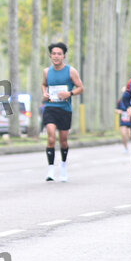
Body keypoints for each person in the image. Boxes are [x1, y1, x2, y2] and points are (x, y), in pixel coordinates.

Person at [40, 42, 84, 182]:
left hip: (65, 109)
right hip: (50, 107)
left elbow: (81, 88)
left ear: (64, 56)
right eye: (54, 54)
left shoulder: (71, 71)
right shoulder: (47, 71)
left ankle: (63, 166)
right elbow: (44, 84)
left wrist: (69, 93)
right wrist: (44, 93)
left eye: (59, 54)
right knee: (51, 137)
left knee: (63, 141)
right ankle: (51, 170)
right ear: (50, 56)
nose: (56, 56)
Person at [116, 86, 131, 153]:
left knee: (130, 135)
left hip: (130, 121)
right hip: (123, 121)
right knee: (123, 134)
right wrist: (119, 111)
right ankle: (126, 148)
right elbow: (116, 109)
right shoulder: (120, 101)